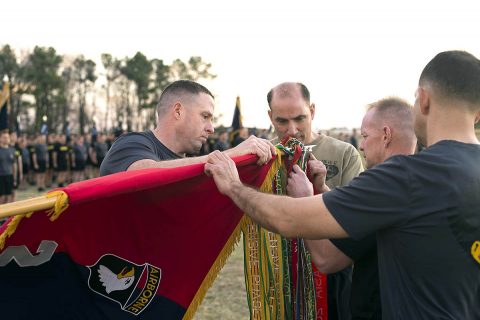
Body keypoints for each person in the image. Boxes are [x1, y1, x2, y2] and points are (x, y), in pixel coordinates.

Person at [205, 50, 480, 319]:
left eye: (365, 136)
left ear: (424, 99)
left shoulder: (405, 176)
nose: (361, 144)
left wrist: (233, 186)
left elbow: (301, 232)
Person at [288, 97, 417, 320]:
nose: (361, 144)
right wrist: (322, 188)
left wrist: (302, 199)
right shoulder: (421, 177)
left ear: (386, 135)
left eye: (365, 136)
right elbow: (359, 220)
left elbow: (327, 259)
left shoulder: (381, 185)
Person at [266, 81, 364, 320]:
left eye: (300, 118)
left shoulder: (344, 153)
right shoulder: (262, 154)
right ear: (270, 117)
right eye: (282, 121)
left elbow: (357, 219)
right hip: (280, 277)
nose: (292, 129)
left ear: (312, 111)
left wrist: (320, 189)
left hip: (332, 279)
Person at [100, 80, 275, 176]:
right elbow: (144, 175)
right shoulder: (131, 144)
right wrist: (228, 155)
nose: (211, 128)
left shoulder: (192, 158)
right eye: (205, 117)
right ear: (178, 111)